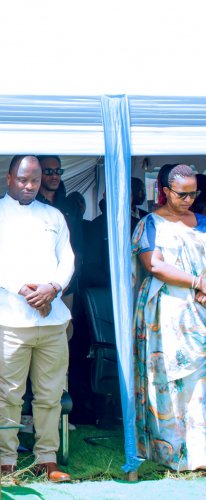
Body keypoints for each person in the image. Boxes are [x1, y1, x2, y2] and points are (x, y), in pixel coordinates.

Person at [0, 155, 74, 482]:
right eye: (23, 179)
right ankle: (6, 459)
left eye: (35, 180)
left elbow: (67, 258)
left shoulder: (53, 215)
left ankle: (47, 458)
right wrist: (27, 291)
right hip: (12, 318)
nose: (29, 186)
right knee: (10, 394)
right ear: (9, 178)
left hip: (53, 319)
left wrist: (53, 287)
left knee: (50, 394)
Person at [132, 163, 206, 471]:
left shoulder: (202, 223)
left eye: (193, 194)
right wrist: (196, 282)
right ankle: (171, 451)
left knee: (199, 382)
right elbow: (154, 264)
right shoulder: (151, 224)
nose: (188, 200)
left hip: (200, 310)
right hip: (164, 311)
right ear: (165, 192)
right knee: (166, 378)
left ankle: (200, 452)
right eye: (181, 194)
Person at [36, 156, 84, 339]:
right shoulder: (29, 203)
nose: (54, 176)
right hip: (36, 285)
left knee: (63, 334)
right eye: (49, 171)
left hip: (65, 285)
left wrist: (66, 281)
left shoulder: (70, 206)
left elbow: (77, 246)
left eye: (58, 171)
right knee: (35, 333)